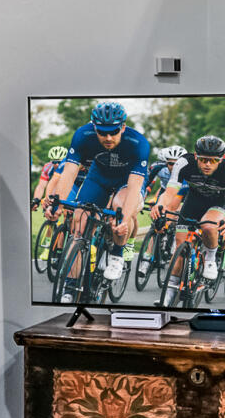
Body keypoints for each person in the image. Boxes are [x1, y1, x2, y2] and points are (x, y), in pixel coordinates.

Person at [46, 104, 151, 289]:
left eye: (114, 131)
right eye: (102, 132)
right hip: (99, 178)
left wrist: (124, 222)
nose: (108, 137)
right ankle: (70, 287)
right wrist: (57, 205)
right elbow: (69, 173)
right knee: (79, 224)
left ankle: (117, 253)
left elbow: (135, 188)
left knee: (120, 209)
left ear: (123, 127)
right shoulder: (82, 135)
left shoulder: (138, 143)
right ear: (94, 127)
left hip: (127, 181)